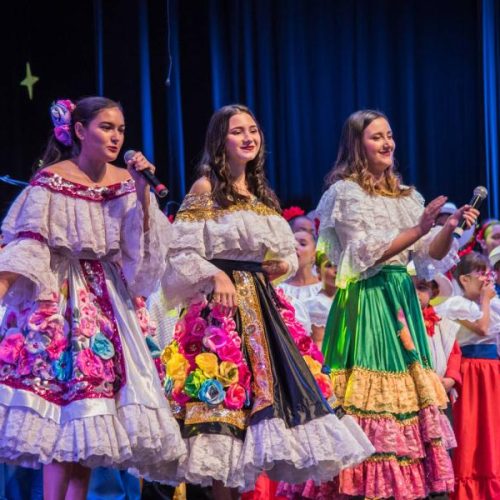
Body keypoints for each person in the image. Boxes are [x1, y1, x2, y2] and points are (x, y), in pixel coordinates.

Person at [160, 104, 374, 499]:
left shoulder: (262, 195)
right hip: (220, 316)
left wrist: (280, 264)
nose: (248, 138)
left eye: (253, 130)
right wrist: (216, 274)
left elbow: (287, 255)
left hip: (262, 312)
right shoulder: (206, 189)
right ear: (219, 140)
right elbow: (180, 253)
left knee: (254, 428)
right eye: (238, 131)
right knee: (222, 418)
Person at [0, 97, 185, 500]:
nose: (116, 136)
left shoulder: (126, 181)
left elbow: (142, 248)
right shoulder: (51, 180)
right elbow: (28, 241)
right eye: (106, 127)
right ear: (80, 131)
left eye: (120, 128)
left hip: (108, 302)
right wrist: (4, 284)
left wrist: (140, 190)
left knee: (92, 417)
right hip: (62, 298)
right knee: (64, 408)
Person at [315, 109, 478, 499]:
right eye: (376, 137)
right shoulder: (345, 193)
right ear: (357, 144)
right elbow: (363, 255)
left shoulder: (407, 197)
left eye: (389, 135)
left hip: (401, 301)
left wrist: (447, 230)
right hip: (367, 300)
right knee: (367, 399)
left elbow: (425, 257)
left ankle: (403, 488)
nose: (387, 143)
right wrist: (419, 228)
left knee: (409, 403)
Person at [437, 252, 500, 499]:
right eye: (481, 273)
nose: (487, 278)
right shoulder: (457, 305)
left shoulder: (494, 304)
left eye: (489, 272)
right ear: (464, 279)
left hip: (492, 371)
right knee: (470, 429)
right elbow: (482, 327)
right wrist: (485, 300)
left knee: (493, 430)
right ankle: (469, 487)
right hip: (471, 370)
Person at [303, 251, 337, 350]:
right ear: (318, 271)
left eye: (340, 265)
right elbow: (319, 343)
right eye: (329, 265)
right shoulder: (318, 305)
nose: (336, 270)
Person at [278, 231, 322, 302]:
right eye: (292, 244)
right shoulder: (280, 288)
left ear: (314, 254)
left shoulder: (323, 289)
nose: (295, 247)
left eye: (303, 244)